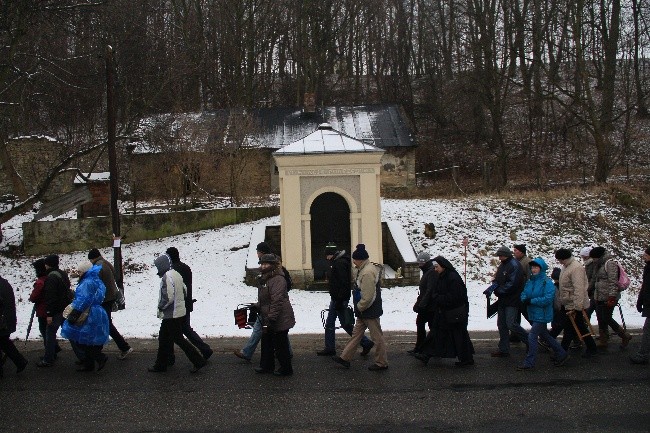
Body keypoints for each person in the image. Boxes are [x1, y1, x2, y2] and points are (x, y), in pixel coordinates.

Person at [333, 244, 388, 371]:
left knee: (377, 337)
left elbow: (368, 296)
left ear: (361, 259)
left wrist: (360, 307)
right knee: (356, 335)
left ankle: (382, 362)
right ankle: (345, 358)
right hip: (364, 310)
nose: (353, 262)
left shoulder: (367, 272)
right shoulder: (364, 269)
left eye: (355, 259)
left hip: (368, 310)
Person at [148, 254, 207, 373]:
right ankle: (160, 364)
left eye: (158, 266)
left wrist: (161, 306)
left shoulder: (167, 277)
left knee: (178, 339)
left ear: (161, 266)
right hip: (178, 312)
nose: (157, 269)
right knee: (164, 338)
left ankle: (198, 360)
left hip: (171, 314)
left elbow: (168, 297)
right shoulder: (176, 274)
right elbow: (184, 290)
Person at [234, 242, 293, 361]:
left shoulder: (272, 269)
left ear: (261, 252)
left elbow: (274, 291)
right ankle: (286, 353)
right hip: (269, 305)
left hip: (271, 306)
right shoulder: (274, 265)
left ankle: (249, 353)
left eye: (258, 251)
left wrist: (265, 304)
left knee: (262, 329)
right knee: (279, 331)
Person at [317, 243, 373, 356]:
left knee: (345, 324)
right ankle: (330, 347)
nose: (326, 258)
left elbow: (343, 283)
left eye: (327, 255)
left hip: (339, 298)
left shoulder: (340, 263)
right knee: (330, 323)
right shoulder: (338, 262)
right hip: (337, 298)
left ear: (331, 254)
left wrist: (339, 300)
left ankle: (365, 342)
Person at [417, 256, 474, 367]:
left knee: (458, 336)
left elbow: (455, 297)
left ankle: (467, 359)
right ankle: (426, 354)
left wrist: (437, 298)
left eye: (437, 267)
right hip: (445, 311)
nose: (435, 269)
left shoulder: (453, 277)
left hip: (453, 312)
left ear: (443, 266)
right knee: (436, 333)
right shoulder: (443, 276)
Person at [517, 257, 569, 370]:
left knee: (532, 336)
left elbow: (548, 299)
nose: (533, 269)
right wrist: (524, 299)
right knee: (545, 335)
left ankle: (529, 363)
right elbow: (524, 293)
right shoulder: (530, 281)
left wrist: (531, 301)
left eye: (536, 267)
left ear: (542, 268)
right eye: (532, 267)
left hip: (543, 314)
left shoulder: (547, 282)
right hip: (533, 313)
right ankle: (561, 353)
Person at [61, 261, 110, 372]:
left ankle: (98, 358)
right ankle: (90, 363)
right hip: (96, 311)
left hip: (87, 313)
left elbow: (83, 299)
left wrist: (75, 313)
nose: (78, 273)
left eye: (80, 271)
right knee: (88, 338)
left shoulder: (86, 283)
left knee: (82, 339)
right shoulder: (96, 280)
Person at [166, 247, 213, 361]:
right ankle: (204, 349)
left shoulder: (172, 271)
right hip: (187, 303)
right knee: (184, 329)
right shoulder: (186, 267)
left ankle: (170, 357)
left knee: (173, 331)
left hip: (178, 306)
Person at [88, 248, 133, 360]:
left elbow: (96, 284)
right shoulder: (105, 263)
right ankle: (97, 352)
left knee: (106, 325)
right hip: (110, 297)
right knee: (105, 324)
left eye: (90, 260)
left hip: (104, 299)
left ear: (92, 258)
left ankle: (123, 348)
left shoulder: (97, 267)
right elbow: (115, 276)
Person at [254, 254, 295, 376]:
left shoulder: (278, 279)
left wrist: (271, 319)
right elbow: (266, 299)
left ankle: (286, 369)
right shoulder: (266, 278)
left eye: (266, 264)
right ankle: (267, 366)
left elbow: (277, 301)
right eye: (262, 264)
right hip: (270, 315)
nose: (263, 266)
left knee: (280, 343)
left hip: (279, 316)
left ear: (272, 265)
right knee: (267, 341)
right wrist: (258, 305)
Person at [484, 246, 528, 357]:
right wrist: (494, 285)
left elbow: (513, 284)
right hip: (503, 299)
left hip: (512, 299)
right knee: (501, 325)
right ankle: (503, 349)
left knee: (511, 324)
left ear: (506, 255)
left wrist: (499, 290)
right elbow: (500, 280)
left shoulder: (514, 265)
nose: (499, 258)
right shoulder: (504, 265)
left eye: (501, 255)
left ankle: (530, 342)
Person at [555, 248, 598, 358]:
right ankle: (592, 348)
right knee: (580, 326)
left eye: (560, 259)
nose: (559, 262)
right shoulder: (567, 266)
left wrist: (577, 306)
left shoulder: (576, 268)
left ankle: (562, 352)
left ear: (564, 258)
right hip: (569, 302)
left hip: (574, 304)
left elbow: (579, 288)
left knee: (568, 329)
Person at [589, 246, 632, 350]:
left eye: (594, 258)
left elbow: (613, 282)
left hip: (608, 296)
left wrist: (612, 297)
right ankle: (603, 340)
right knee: (600, 317)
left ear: (599, 257)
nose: (593, 260)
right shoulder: (598, 264)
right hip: (599, 295)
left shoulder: (610, 263)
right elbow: (594, 279)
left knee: (606, 317)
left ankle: (624, 335)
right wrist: (588, 290)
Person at [37, 254, 72, 367]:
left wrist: (49, 314)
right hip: (64, 308)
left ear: (48, 265)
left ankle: (48, 359)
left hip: (56, 310)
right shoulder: (62, 273)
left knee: (50, 334)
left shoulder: (51, 277)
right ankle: (83, 356)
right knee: (70, 332)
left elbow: (51, 297)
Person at [29, 258, 62, 354]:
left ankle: (50, 353)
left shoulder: (40, 282)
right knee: (49, 332)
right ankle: (54, 348)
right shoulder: (51, 277)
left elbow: (34, 296)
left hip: (43, 310)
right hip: (50, 309)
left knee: (45, 332)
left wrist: (32, 297)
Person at [0, 274, 29, 377]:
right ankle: (20, 361)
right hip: (7, 320)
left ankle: (19, 362)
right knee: (5, 343)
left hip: (2, 322)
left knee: (5, 343)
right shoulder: (4, 283)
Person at [409, 251, 437, 355]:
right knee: (422, 324)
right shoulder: (428, 271)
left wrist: (421, 305)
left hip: (429, 306)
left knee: (428, 326)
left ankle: (425, 348)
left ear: (426, 262)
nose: (420, 265)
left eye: (421, 263)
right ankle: (423, 347)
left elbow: (429, 291)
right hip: (427, 305)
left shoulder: (431, 272)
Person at [630, 246, 650, 365]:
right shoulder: (648, 268)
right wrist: (640, 300)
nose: (644, 256)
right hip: (648, 303)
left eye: (646, 255)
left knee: (648, 330)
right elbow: (645, 287)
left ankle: (642, 355)